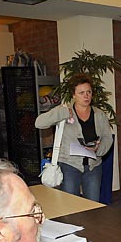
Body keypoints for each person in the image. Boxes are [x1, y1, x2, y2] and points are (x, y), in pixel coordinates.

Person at [35, 73, 113, 202]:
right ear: (73, 95)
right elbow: (39, 123)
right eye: (81, 93)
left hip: (93, 165)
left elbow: (107, 137)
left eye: (88, 92)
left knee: (93, 204)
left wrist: (99, 149)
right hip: (69, 164)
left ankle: (90, 223)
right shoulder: (64, 110)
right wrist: (62, 113)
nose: (86, 96)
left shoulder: (99, 114)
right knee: (70, 203)